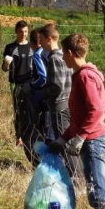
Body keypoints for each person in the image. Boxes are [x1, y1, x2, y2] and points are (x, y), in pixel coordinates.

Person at [49, 33, 105, 209]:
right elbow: (78, 118)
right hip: (88, 140)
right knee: (94, 194)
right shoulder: (81, 75)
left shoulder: (85, 76)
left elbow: (96, 110)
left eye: (64, 53)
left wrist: (80, 138)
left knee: (98, 194)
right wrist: (62, 140)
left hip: (93, 142)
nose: (62, 57)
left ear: (71, 53)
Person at [38, 24, 82, 180]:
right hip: (68, 104)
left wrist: (41, 92)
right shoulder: (62, 57)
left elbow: (57, 86)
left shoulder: (54, 58)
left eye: (41, 39)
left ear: (49, 39)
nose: (40, 43)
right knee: (67, 141)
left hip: (60, 106)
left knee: (65, 144)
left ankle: (78, 178)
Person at [2, 20, 33, 145]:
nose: (23, 34)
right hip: (16, 83)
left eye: (25, 32)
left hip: (30, 83)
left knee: (30, 110)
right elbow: (4, 69)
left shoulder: (32, 47)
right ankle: (19, 137)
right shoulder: (10, 47)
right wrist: (6, 63)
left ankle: (31, 136)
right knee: (18, 110)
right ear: (16, 32)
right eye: (21, 32)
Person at [21, 28, 47, 166]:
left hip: (39, 98)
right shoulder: (49, 52)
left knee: (35, 128)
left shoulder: (37, 54)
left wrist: (31, 86)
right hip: (50, 98)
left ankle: (38, 160)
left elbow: (43, 77)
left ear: (31, 43)